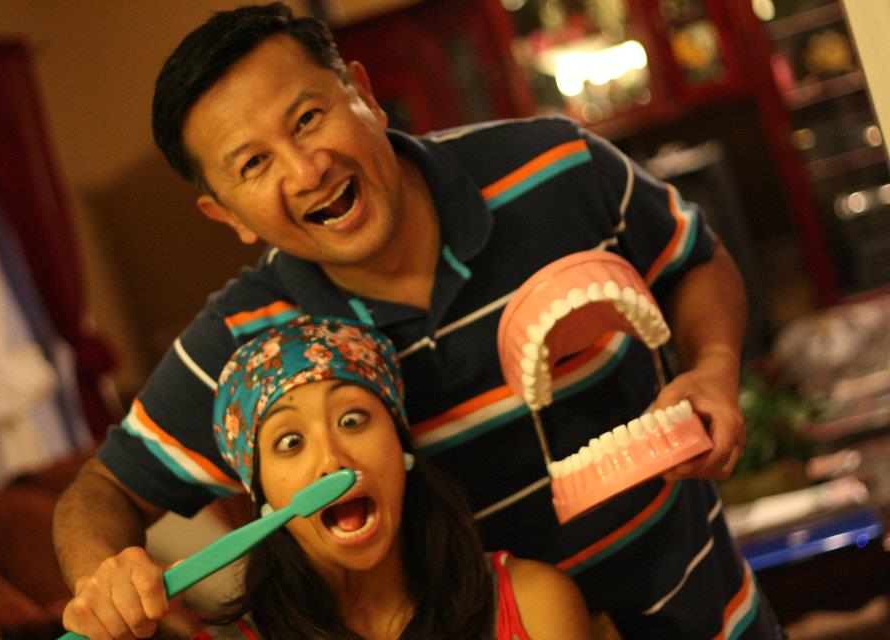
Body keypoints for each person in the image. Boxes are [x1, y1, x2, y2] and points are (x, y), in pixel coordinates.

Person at [53, 3, 784, 639]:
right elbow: (102, 491)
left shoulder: (556, 166)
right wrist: (102, 575)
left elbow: (692, 259)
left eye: (308, 118)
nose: (306, 170)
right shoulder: (242, 346)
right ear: (226, 215)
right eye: (253, 165)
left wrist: (714, 365)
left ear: (364, 94)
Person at [193, 315, 592, 639]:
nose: (333, 460)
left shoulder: (534, 605)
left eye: (352, 420)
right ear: (262, 494)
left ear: (401, 448)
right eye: (290, 442)